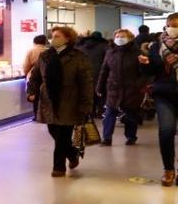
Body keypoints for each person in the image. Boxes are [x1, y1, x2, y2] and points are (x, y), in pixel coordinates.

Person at [27, 26, 94, 178]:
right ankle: (72, 154)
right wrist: (31, 91)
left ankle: (58, 168)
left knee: (63, 134)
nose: (53, 39)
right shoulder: (45, 56)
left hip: (70, 101)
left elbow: (86, 83)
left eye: (57, 36)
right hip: (48, 100)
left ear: (67, 38)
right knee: (53, 130)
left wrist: (86, 105)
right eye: (52, 36)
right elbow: (35, 76)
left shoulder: (78, 57)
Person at [139, 13, 178, 186]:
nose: (172, 28)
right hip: (164, 93)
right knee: (166, 131)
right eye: (170, 24)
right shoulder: (156, 46)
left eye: (176, 25)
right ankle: (168, 169)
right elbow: (150, 72)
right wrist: (144, 63)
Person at [97, 29, 145, 146]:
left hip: (131, 89)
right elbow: (104, 70)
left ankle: (131, 137)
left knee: (130, 114)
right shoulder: (110, 52)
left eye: (122, 36)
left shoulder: (137, 53)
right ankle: (107, 138)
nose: (119, 38)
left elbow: (145, 73)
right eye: (117, 36)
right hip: (114, 87)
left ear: (130, 38)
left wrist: (138, 84)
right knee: (109, 112)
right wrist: (99, 86)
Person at [78, 31, 110, 114]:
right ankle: (100, 111)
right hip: (100, 73)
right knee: (100, 93)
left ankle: (90, 111)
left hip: (83, 73)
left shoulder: (80, 47)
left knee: (87, 93)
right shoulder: (105, 47)